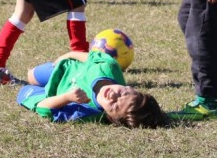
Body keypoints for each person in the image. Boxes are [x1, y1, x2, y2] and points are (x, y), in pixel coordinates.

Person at [16, 42, 170, 128]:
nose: (113, 95)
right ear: (129, 87)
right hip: (63, 68)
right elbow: (92, 58)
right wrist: (69, 55)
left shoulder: (86, 111)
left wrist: (67, 97)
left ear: (110, 117)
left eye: (114, 106)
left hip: (52, 94)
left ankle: (42, 88)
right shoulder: (110, 67)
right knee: (30, 75)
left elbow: (44, 108)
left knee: (23, 92)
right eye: (121, 94)